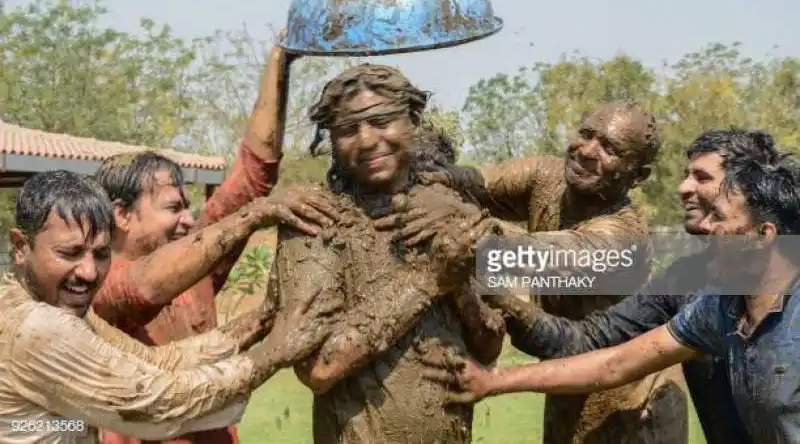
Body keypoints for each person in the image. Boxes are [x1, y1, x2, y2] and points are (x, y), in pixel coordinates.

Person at [424, 154, 800, 444]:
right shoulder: (719, 309)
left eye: (719, 219)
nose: (705, 227)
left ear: (764, 235)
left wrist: (473, 246)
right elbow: (616, 363)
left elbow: (537, 254)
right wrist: (494, 381)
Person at [392, 101, 687, 444]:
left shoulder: (625, 240)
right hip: (566, 380)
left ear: (638, 175)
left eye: (610, 148)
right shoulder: (546, 177)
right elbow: (467, 181)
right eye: (586, 134)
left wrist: (451, 219)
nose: (588, 150)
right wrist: (408, 167)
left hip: (633, 405)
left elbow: (519, 255)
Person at [90, 43, 339, 444]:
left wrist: (280, 61)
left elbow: (253, 178)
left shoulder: (196, 266)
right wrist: (254, 216)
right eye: (173, 207)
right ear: (121, 215)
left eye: (188, 208)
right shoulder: (89, 286)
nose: (188, 219)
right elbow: (143, 288)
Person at [0, 170, 332, 444]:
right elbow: (159, 401)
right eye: (69, 253)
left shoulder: (52, 306)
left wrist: (264, 319)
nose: (89, 272)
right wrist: (274, 353)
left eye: (100, 254)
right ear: (20, 247)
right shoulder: (38, 326)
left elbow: (155, 362)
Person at [269, 63, 505, 443]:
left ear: (413, 121)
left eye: (381, 121)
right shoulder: (315, 223)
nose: (366, 140)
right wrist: (428, 278)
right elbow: (319, 368)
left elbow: (490, 346)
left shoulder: (451, 213)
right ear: (331, 140)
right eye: (348, 130)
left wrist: (459, 283)